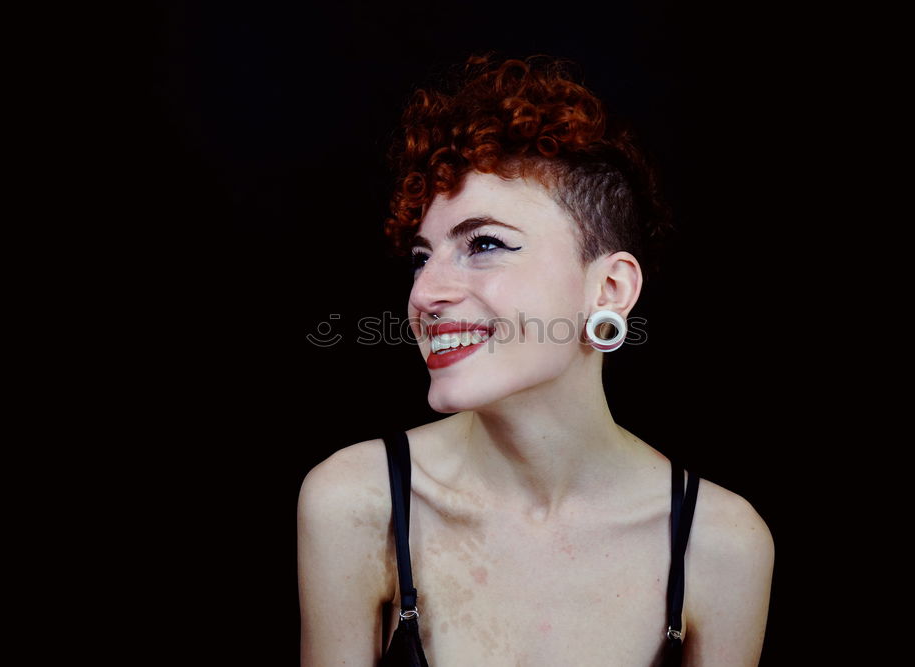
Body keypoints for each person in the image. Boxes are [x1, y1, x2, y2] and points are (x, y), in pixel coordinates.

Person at [297, 52, 774, 666]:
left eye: (485, 244)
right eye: (423, 256)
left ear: (608, 291)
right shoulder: (359, 503)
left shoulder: (720, 545)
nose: (425, 294)